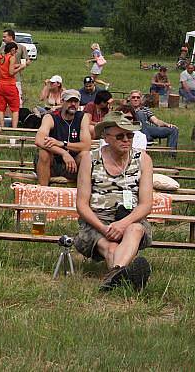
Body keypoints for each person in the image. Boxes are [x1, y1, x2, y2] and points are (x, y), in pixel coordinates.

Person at [74, 112, 153, 291]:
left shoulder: (143, 160)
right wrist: (104, 228)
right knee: (109, 247)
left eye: (130, 135)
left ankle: (114, 276)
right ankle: (126, 277)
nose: (126, 140)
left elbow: (146, 204)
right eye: (120, 136)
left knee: (136, 229)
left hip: (130, 219)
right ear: (106, 137)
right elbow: (81, 205)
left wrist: (122, 224)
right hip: (96, 222)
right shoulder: (90, 159)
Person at [34, 89, 92, 186]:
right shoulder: (50, 117)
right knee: (44, 152)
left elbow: (86, 146)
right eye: (69, 101)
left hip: (74, 162)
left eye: (76, 101)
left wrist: (63, 143)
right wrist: (63, 152)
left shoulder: (82, 117)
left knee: (85, 154)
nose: (73, 104)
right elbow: (39, 140)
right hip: (54, 162)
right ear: (62, 102)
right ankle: (44, 190)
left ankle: (82, 190)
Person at [128, 90, 179, 156]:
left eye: (138, 97)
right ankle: (146, 138)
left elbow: (156, 121)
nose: (136, 99)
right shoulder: (126, 109)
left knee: (173, 129)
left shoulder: (145, 109)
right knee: (140, 113)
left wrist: (167, 124)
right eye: (133, 97)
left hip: (147, 129)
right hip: (133, 129)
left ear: (141, 99)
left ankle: (171, 155)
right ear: (130, 99)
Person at [0, 42, 26, 130]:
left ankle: (1, 127)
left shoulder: (0, 57)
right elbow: (11, 72)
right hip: (10, 85)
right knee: (15, 108)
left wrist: (18, 65)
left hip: (0, 85)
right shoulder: (11, 57)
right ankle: (14, 128)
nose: (15, 53)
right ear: (12, 50)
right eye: (15, 51)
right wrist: (20, 68)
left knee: (1, 108)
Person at [0, 29, 29, 104]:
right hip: (3, 79)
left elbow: (27, 60)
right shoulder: (2, 48)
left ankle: (18, 114)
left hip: (16, 78)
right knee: (4, 101)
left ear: (11, 37)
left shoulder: (21, 47)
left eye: (5, 37)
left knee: (17, 100)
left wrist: (23, 64)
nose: (3, 38)